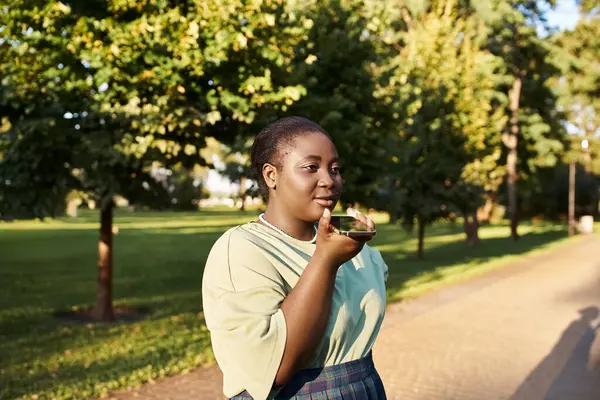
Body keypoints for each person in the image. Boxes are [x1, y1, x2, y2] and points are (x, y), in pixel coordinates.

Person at [202, 116, 389, 400]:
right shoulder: (242, 249)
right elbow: (276, 368)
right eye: (311, 167)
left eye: (335, 168)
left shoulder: (348, 243)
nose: (329, 180)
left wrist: (351, 252)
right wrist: (325, 260)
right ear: (271, 175)